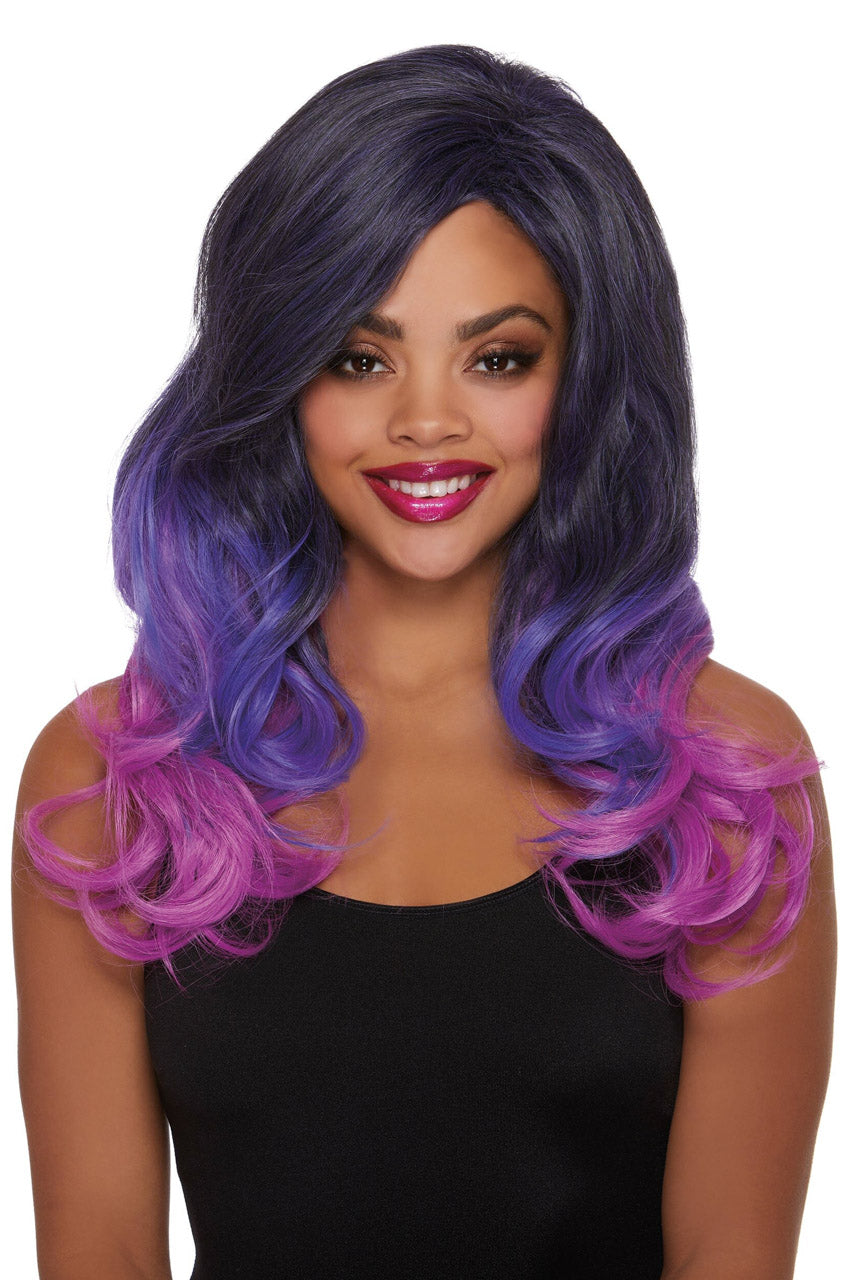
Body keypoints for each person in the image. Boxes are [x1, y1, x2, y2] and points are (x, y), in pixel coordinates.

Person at [12, 42, 836, 1280]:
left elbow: (732, 1257)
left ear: (586, 373)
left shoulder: (722, 775)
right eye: (360, 356)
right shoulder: (115, 778)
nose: (426, 421)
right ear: (280, 374)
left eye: (497, 357)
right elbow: (101, 1252)